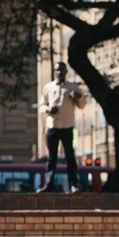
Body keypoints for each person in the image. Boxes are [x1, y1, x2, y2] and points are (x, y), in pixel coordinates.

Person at [37, 61, 87, 194]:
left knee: (70, 157)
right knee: (51, 158)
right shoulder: (48, 87)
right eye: (57, 70)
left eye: (62, 70)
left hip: (67, 127)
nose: (60, 73)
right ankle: (49, 184)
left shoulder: (73, 87)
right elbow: (41, 106)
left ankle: (74, 185)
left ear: (66, 72)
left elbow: (82, 105)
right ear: (54, 72)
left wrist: (79, 97)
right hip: (53, 127)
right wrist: (48, 109)